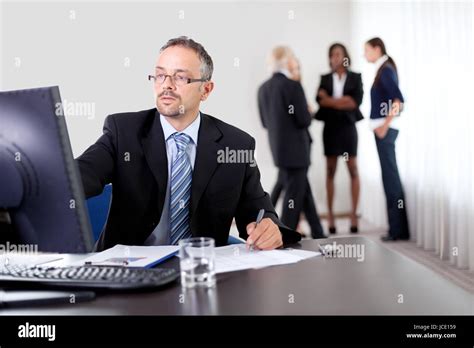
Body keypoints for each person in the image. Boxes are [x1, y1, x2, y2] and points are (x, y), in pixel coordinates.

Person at [76, 36, 301, 251]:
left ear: (206, 89)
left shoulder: (235, 145)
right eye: (160, 75)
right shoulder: (123, 132)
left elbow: (259, 212)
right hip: (128, 275)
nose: (167, 85)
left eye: (181, 77)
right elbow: (78, 176)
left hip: (200, 272)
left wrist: (270, 230)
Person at [258, 46, 324, 239]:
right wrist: (309, 111)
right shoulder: (293, 86)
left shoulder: (263, 89)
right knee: (293, 198)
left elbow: (264, 122)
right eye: (293, 57)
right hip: (297, 151)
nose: (296, 60)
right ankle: (284, 236)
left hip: (278, 149)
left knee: (304, 192)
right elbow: (303, 120)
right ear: (287, 62)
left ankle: (319, 233)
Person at [315, 43, 364, 234]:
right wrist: (342, 101)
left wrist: (330, 101)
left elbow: (355, 101)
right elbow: (320, 101)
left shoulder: (355, 77)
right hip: (331, 130)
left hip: (348, 129)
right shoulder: (325, 78)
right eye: (332, 55)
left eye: (338, 54)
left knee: (353, 170)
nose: (335, 58)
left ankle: (353, 215)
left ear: (345, 57)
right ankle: (331, 216)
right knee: (330, 172)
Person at [364, 37, 409, 241]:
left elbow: (399, 100)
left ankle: (397, 230)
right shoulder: (383, 69)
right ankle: (397, 229)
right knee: (389, 177)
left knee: (391, 178)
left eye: (366, 50)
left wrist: (384, 125)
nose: (364, 54)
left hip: (386, 131)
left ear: (377, 49)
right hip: (383, 131)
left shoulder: (386, 69)